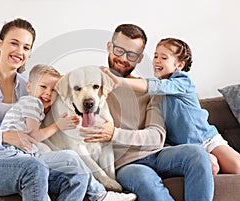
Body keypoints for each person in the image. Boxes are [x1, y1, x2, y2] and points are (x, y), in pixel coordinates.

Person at [0, 18, 136, 201]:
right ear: (0, 44)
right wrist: (4, 137)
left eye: (26, 47)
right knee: (34, 168)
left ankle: (101, 196)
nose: (19, 51)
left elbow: (69, 100)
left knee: (77, 175)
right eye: (14, 43)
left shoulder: (31, 87)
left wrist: (103, 119)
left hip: (22, 158)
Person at [80, 24, 214, 201]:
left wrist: (115, 134)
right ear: (109, 47)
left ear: (140, 58)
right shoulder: (87, 83)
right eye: (119, 50)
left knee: (198, 155)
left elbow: (156, 136)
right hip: (125, 164)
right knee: (145, 179)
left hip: (157, 154)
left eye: (132, 55)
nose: (123, 58)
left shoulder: (148, 89)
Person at [101, 37, 240, 175]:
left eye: (164, 57)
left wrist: (120, 81)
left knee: (237, 167)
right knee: (212, 166)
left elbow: (155, 86)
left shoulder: (182, 82)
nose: (157, 60)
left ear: (179, 65)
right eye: (155, 56)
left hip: (206, 139)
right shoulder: (156, 95)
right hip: (185, 147)